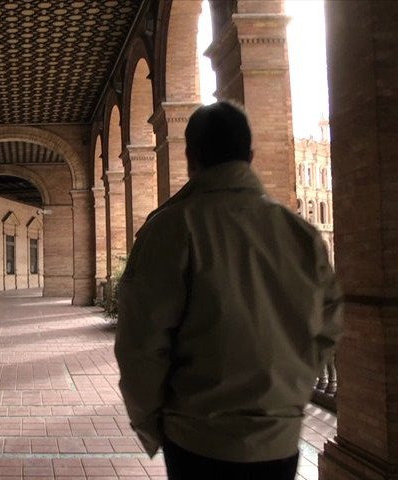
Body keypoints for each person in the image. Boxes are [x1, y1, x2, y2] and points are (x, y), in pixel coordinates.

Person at [114, 101, 342, 480]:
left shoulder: (171, 228)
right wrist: (287, 391)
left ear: (189, 157)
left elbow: (139, 343)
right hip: (279, 440)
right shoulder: (301, 234)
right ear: (250, 155)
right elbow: (328, 324)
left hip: (196, 439)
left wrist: (151, 423)